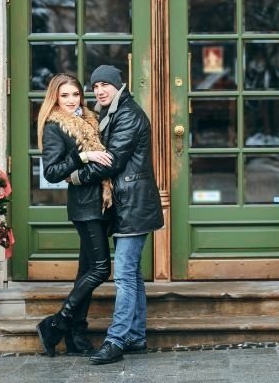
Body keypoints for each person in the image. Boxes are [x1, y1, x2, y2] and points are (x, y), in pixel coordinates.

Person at [70, 65, 164, 365]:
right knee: (132, 275)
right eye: (95, 86)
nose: (99, 90)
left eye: (105, 85)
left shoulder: (129, 115)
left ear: (118, 86)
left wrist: (75, 176)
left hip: (134, 205)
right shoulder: (111, 112)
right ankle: (135, 336)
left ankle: (116, 339)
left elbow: (111, 160)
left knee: (123, 275)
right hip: (127, 205)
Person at [36, 73, 114, 357]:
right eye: (65, 95)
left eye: (76, 95)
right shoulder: (55, 126)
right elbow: (52, 172)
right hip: (85, 207)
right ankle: (56, 323)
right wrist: (83, 157)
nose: (71, 101)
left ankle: (76, 335)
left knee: (86, 271)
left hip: (101, 203)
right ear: (55, 98)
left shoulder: (90, 121)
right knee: (101, 269)